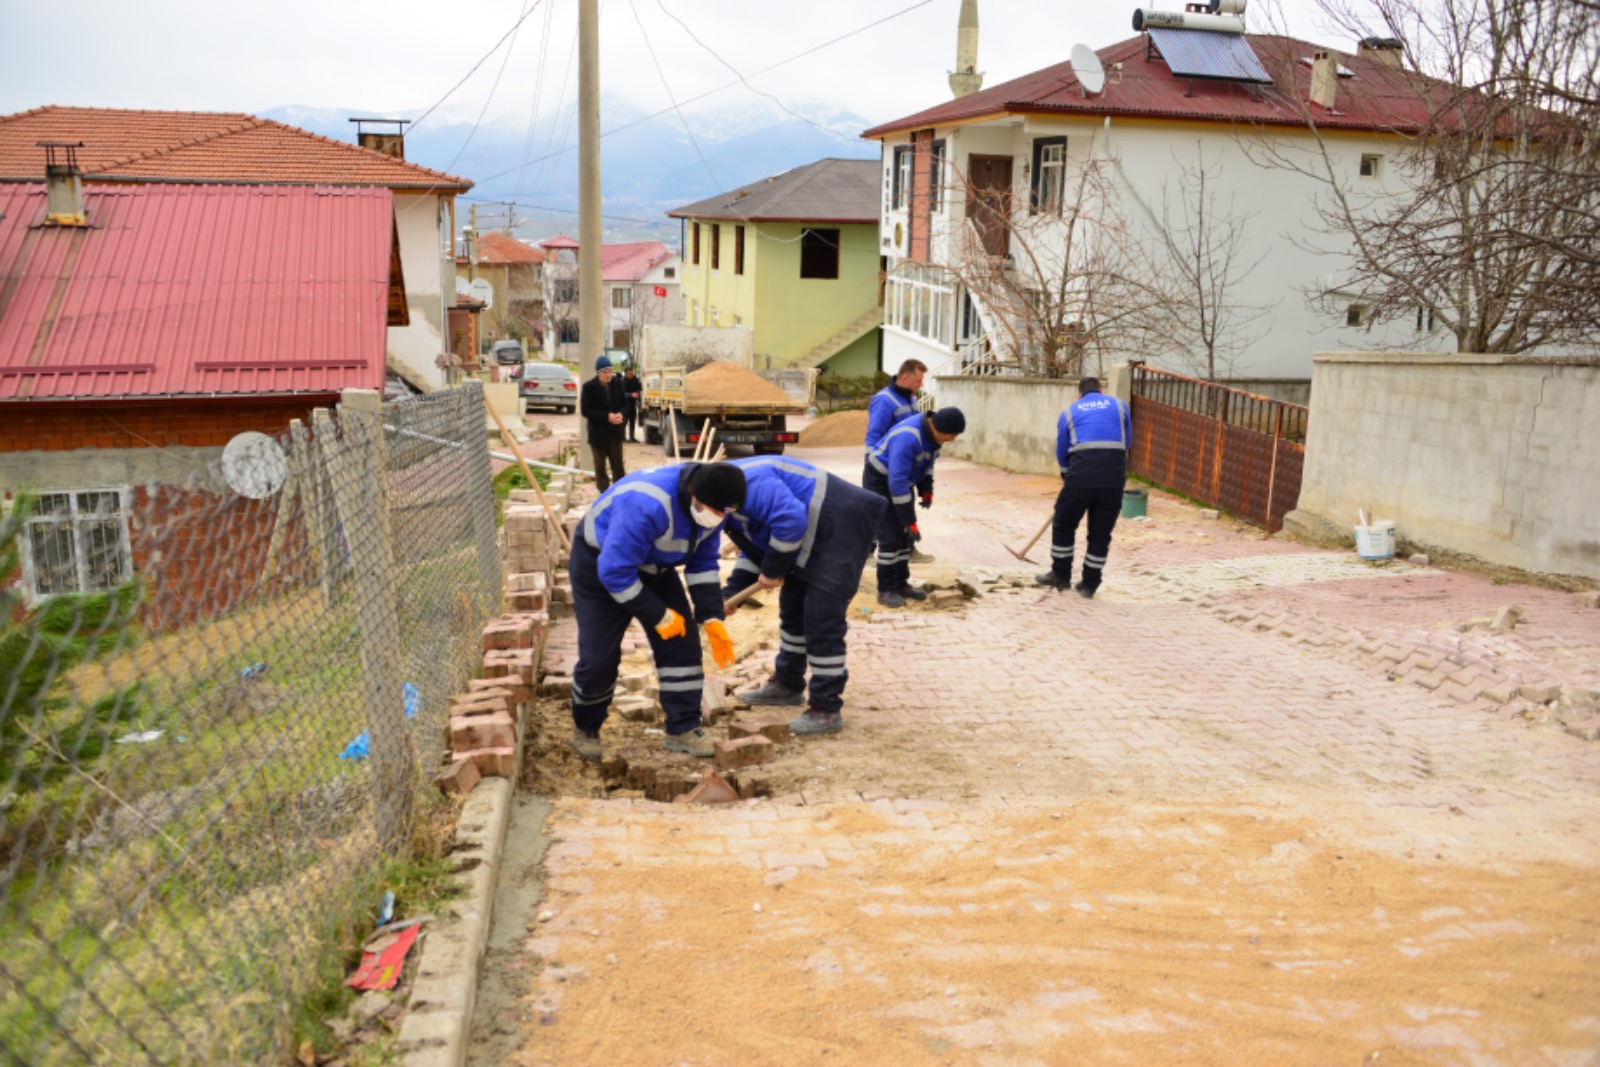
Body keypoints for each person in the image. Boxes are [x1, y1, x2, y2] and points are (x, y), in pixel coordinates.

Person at [568, 462, 747, 760]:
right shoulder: (646, 503)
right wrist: (657, 613)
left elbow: (702, 564)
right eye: (715, 511)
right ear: (693, 493)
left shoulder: (712, 510)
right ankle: (586, 726)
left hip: (656, 569)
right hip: (601, 567)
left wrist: (711, 613)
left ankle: (683, 728)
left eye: (723, 513)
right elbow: (614, 572)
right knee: (599, 658)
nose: (718, 519)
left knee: (682, 646)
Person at [719, 455, 888, 736]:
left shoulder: (751, 484)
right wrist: (732, 593)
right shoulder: (726, 500)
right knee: (793, 607)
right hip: (808, 530)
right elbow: (757, 547)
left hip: (840, 521)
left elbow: (789, 521)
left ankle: (826, 708)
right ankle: (787, 684)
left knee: (822, 616)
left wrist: (772, 570)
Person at [1037, 377, 1133, 598]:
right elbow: (1127, 442)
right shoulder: (1120, 406)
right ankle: (1090, 585)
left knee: (1064, 522)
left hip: (1081, 477)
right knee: (1100, 533)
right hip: (1113, 478)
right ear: (1102, 390)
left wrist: (1066, 472)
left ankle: (1061, 576)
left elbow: (1062, 449)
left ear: (1078, 395)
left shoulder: (1070, 411)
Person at [863, 406, 965, 607]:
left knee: (904, 537)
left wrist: (926, 488)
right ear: (939, 429)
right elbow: (897, 481)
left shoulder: (933, 436)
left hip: (900, 481)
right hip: (881, 481)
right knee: (891, 536)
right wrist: (909, 519)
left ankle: (901, 584)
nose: (952, 440)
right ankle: (885, 590)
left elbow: (926, 464)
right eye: (951, 435)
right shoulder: (908, 438)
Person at [580, 355, 628, 490]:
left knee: (618, 466)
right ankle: (604, 493)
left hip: (615, 432)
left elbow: (625, 404)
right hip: (598, 434)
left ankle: (619, 492)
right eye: (605, 372)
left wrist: (621, 415)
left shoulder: (618, 383)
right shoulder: (589, 387)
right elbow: (585, 411)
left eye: (610, 371)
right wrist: (607, 417)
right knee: (600, 466)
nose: (608, 375)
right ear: (598, 373)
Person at [621, 362, 644, 443]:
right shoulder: (622, 381)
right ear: (626, 374)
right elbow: (621, 393)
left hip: (633, 404)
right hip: (625, 404)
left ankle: (632, 437)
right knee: (624, 421)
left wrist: (638, 392)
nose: (631, 375)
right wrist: (631, 395)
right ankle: (622, 437)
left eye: (631, 373)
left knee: (632, 420)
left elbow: (639, 387)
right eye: (629, 374)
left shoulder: (635, 379)